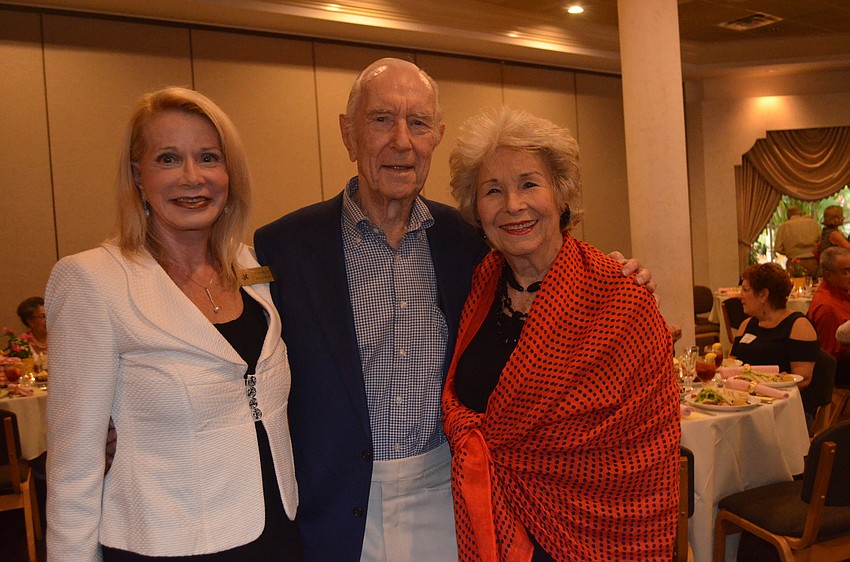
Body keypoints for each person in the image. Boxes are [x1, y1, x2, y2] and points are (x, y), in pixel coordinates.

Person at [254, 58, 655, 562]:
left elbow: (552, 280)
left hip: (454, 501)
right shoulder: (284, 248)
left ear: (436, 137)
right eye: (381, 119)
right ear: (348, 134)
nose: (402, 140)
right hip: (334, 513)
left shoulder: (470, 245)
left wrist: (619, 275)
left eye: (418, 123)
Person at [45, 87, 301, 561]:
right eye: (168, 158)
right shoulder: (92, 281)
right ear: (137, 175)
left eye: (208, 157)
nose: (192, 177)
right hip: (167, 544)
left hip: (276, 533)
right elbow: (73, 468)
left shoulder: (251, 268)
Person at [440, 107, 679, 561]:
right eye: (493, 190)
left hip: (600, 535)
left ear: (563, 194)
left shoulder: (621, 296)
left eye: (530, 183)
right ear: (476, 210)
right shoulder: (478, 287)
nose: (513, 205)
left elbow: (649, 448)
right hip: (493, 524)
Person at [731, 263, 818, 392]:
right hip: (745, 397)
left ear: (763, 294)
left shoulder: (798, 326)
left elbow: (803, 379)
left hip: (783, 401)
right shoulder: (747, 325)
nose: (740, 295)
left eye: (746, 290)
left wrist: (763, 389)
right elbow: (731, 365)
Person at [809, 246, 850, 387]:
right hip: (841, 373)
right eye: (846, 272)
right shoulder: (827, 307)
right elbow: (832, 356)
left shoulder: (842, 292)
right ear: (827, 275)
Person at [775, 206, 820, 278]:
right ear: (800, 213)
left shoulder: (784, 226)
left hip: (793, 262)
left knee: (796, 286)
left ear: (788, 216)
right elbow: (820, 242)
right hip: (811, 261)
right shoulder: (813, 223)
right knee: (813, 284)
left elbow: (778, 248)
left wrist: (789, 251)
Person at [16, 296, 48, 361]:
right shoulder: (20, 345)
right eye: (42, 316)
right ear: (30, 321)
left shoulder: (61, 339)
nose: (47, 319)